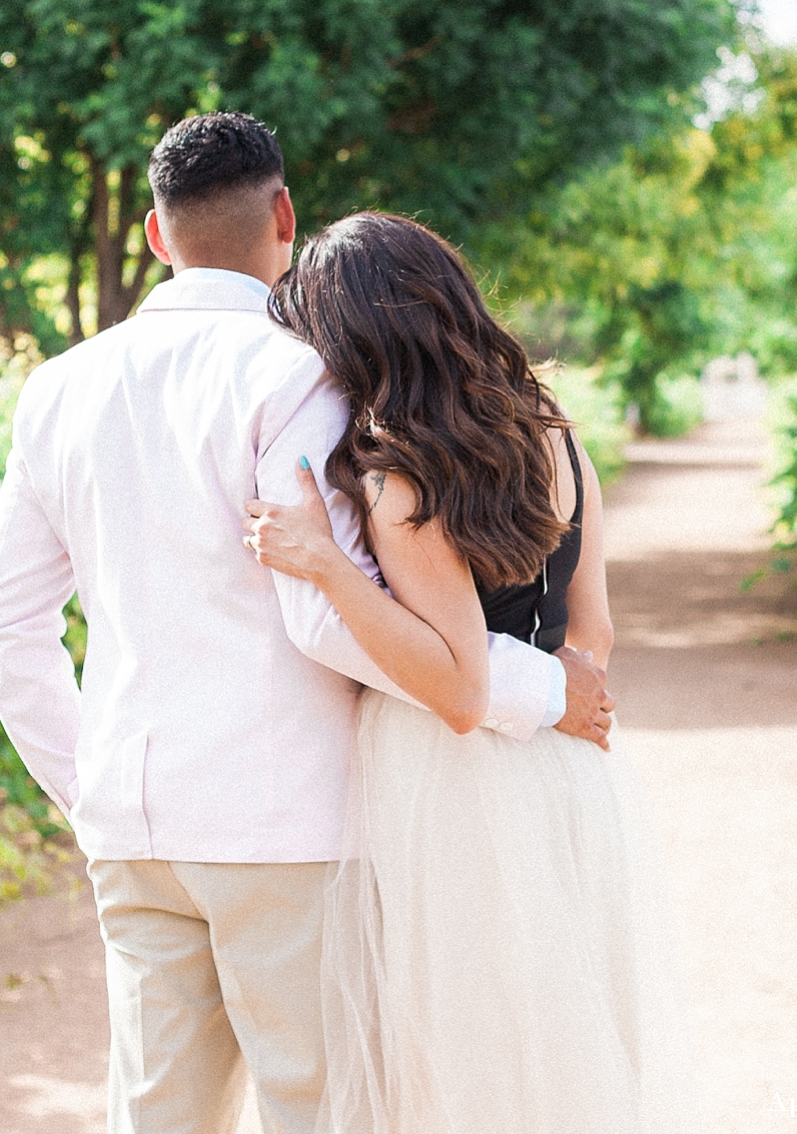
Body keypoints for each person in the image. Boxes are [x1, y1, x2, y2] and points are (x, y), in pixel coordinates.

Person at [0, 112, 613, 1134]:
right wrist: (540, 687)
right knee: (319, 1108)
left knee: (157, 1114)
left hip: (133, 824)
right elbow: (323, 618)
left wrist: (85, 786)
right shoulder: (300, 370)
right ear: (285, 212)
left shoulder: (57, 386)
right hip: (288, 820)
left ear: (152, 234)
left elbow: (2, 625)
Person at [243, 212, 698, 1134]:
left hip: (441, 788)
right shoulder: (555, 435)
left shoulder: (399, 474)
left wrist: (327, 566)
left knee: (451, 1062)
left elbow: (456, 690)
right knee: (553, 1040)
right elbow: (591, 636)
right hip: (566, 776)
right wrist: (555, 703)